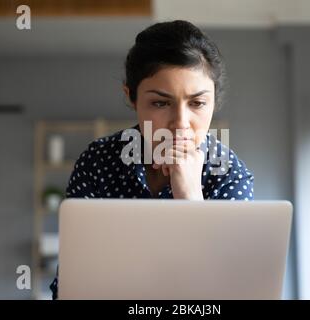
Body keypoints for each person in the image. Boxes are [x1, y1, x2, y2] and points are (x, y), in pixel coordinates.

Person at [50, 20, 254, 299]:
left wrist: (191, 196)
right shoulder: (97, 161)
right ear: (132, 98)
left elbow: (227, 291)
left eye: (197, 103)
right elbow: (70, 284)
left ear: (214, 100)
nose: (180, 123)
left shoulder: (229, 174)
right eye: (160, 103)